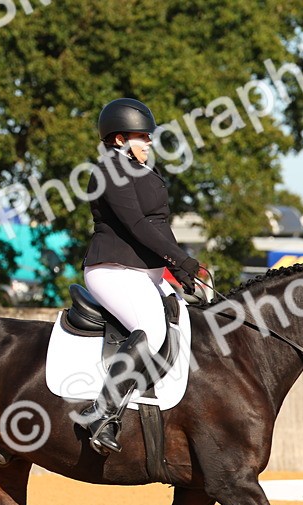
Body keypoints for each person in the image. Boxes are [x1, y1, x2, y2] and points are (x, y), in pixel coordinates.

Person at [79, 98, 202, 455]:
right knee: (152, 329)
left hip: (145, 273)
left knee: (192, 317)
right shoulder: (108, 171)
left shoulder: (144, 173)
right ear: (119, 140)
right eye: (142, 137)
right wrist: (177, 257)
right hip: (113, 270)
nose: (149, 143)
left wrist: (180, 268)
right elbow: (135, 224)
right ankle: (101, 414)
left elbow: (158, 226)